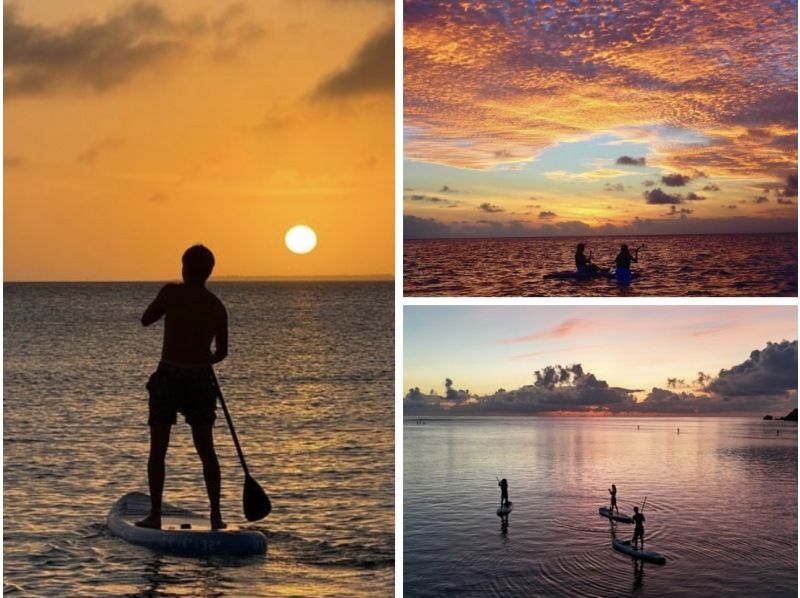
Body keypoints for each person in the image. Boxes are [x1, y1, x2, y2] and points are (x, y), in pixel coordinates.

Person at [135, 245, 229, 531]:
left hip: (169, 377)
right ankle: (215, 516)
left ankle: (155, 514)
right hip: (200, 379)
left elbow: (146, 319)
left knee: (158, 450)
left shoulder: (170, 293)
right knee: (206, 450)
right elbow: (222, 352)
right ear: (209, 272)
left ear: (184, 268)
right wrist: (204, 358)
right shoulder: (216, 306)